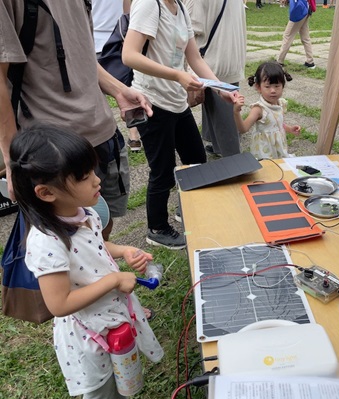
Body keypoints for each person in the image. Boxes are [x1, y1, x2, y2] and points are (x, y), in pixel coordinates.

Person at [10, 124, 164, 399]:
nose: (96, 179)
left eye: (92, 170)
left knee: (123, 375)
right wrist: (113, 279)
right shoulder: (47, 242)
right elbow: (59, 304)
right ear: (46, 192)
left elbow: (96, 247)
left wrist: (123, 252)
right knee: (98, 394)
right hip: (88, 335)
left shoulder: (85, 214)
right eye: (83, 176)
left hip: (113, 318)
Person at [0, 0, 152, 241]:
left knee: (102, 227)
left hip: (102, 130)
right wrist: (11, 159)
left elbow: (80, 50)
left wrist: (118, 89)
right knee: (62, 244)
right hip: (54, 150)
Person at [122, 0, 237, 249]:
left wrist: (220, 88)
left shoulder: (181, 7)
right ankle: (157, 228)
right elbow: (128, 55)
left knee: (196, 159)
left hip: (177, 100)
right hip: (152, 102)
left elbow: (194, 58)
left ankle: (186, 208)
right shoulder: (150, 5)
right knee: (163, 172)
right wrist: (177, 75)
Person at [182, 0, 247, 158]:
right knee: (214, 106)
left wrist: (187, 69)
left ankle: (233, 163)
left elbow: (188, 29)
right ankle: (216, 145)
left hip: (212, 61)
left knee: (224, 121)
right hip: (230, 56)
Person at [92, 0, 142, 153]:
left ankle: (125, 134)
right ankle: (133, 135)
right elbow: (127, 10)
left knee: (102, 93)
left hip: (103, 39)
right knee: (126, 86)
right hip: (115, 38)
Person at [233, 61, 301, 160]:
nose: (273, 90)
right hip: (264, 151)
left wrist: (289, 129)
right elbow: (243, 129)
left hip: (279, 148)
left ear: (283, 86)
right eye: (267, 86)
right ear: (258, 87)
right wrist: (236, 112)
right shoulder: (259, 109)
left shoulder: (280, 103)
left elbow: (278, 123)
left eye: (277, 86)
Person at [277, 0, 316, 69]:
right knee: (305, 37)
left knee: (287, 36)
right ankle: (310, 62)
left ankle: (279, 61)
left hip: (299, 9)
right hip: (306, 7)